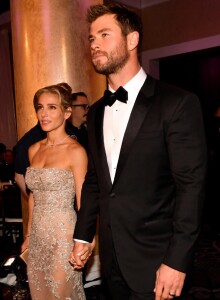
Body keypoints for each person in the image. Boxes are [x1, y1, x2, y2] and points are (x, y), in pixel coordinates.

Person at [70, 3, 207, 300]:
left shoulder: (177, 103)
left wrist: (176, 260)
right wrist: (83, 235)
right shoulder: (94, 113)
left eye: (105, 35)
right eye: (91, 38)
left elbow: (191, 187)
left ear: (132, 41)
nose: (94, 44)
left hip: (159, 260)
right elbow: (95, 180)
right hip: (112, 261)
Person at [20, 82, 87, 299]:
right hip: (38, 235)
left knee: (60, 294)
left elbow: (82, 201)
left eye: (52, 107)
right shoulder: (34, 150)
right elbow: (33, 197)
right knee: (39, 292)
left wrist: (83, 240)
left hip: (63, 235)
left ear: (67, 112)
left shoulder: (75, 151)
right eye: (40, 107)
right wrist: (29, 235)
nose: (43, 113)